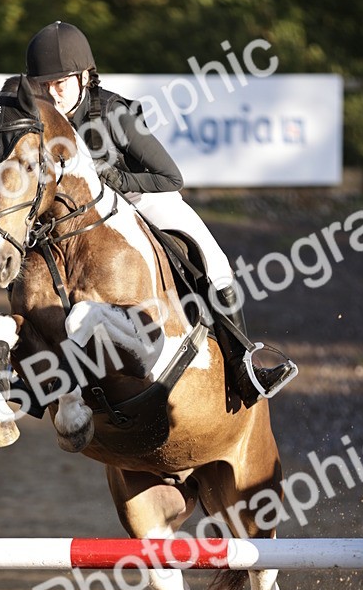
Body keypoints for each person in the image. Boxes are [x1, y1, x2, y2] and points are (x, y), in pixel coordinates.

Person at [24, 21, 297, 407]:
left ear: (84, 76)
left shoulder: (115, 113)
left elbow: (171, 177)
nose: (53, 93)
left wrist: (114, 178)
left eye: (61, 83)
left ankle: (243, 367)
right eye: (44, 85)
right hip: (79, 217)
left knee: (215, 261)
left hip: (143, 200)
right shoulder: (43, 124)